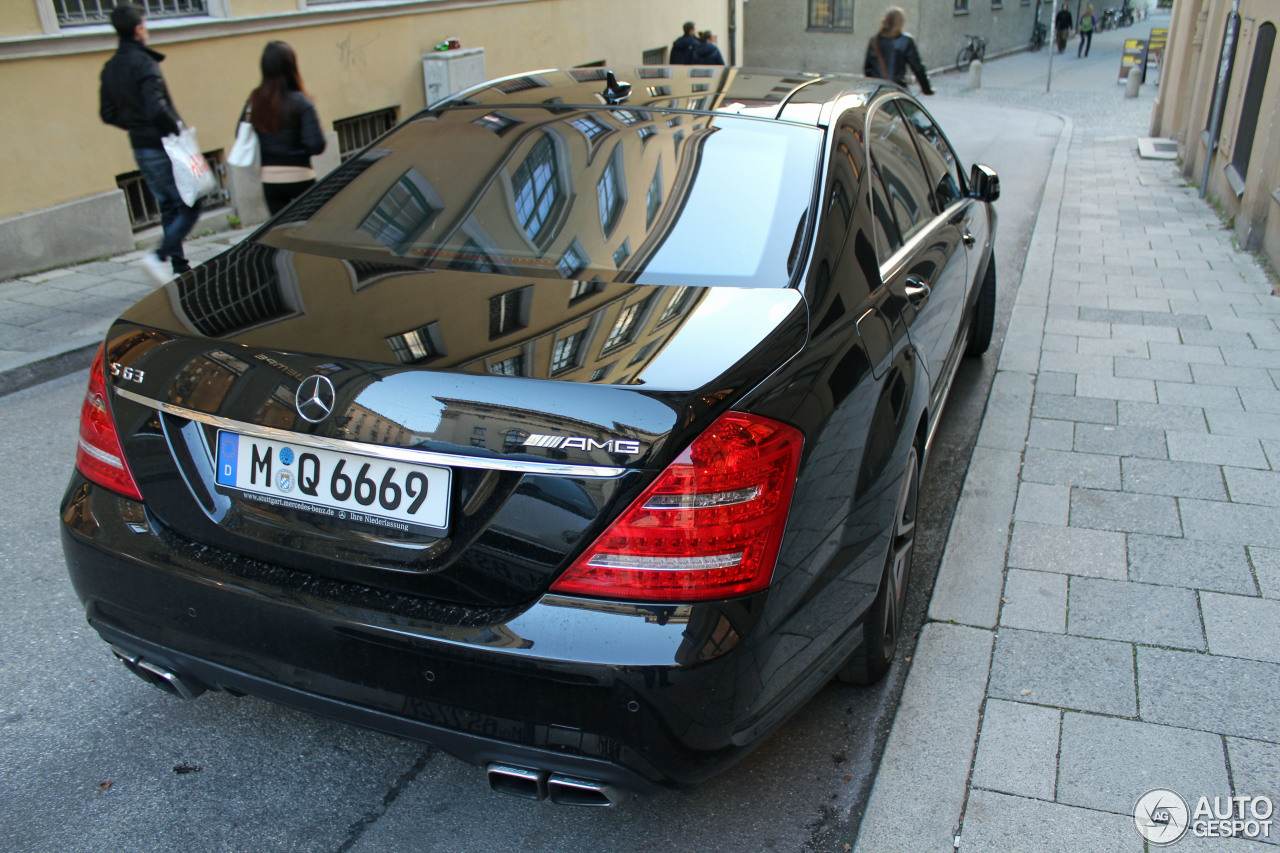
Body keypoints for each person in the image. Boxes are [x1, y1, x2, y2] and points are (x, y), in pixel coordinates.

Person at [99, 3, 196, 285]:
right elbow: (157, 109)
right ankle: (160, 257)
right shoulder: (144, 63)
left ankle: (178, 265)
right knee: (193, 202)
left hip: (141, 145)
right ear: (139, 29)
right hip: (164, 143)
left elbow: (108, 114)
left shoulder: (110, 68)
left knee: (169, 204)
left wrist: (136, 126)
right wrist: (175, 133)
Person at [241, 41, 326, 215]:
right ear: (291, 67)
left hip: (269, 180)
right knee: (310, 228)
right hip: (301, 177)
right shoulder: (302, 102)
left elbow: (240, 134)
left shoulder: (254, 100)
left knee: (280, 232)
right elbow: (316, 145)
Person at [863, 7, 934, 95]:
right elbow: (917, 67)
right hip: (897, 91)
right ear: (900, 23)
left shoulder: (874, 41)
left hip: (878, 93)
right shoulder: (905, 41)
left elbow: (867, 70)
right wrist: (927, 89)